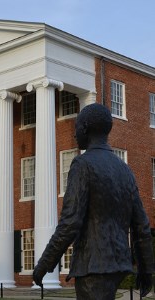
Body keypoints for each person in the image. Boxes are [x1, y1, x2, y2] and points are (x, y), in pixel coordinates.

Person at [33, 103, 154, 299]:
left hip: (93, 265)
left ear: (85, 128)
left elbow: (70, 223)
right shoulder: (125, 170)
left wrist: (44, 265)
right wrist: (146, 269)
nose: (74, 135)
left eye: (76, 128)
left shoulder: (82, 164)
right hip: (118, 264)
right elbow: (142, 225)